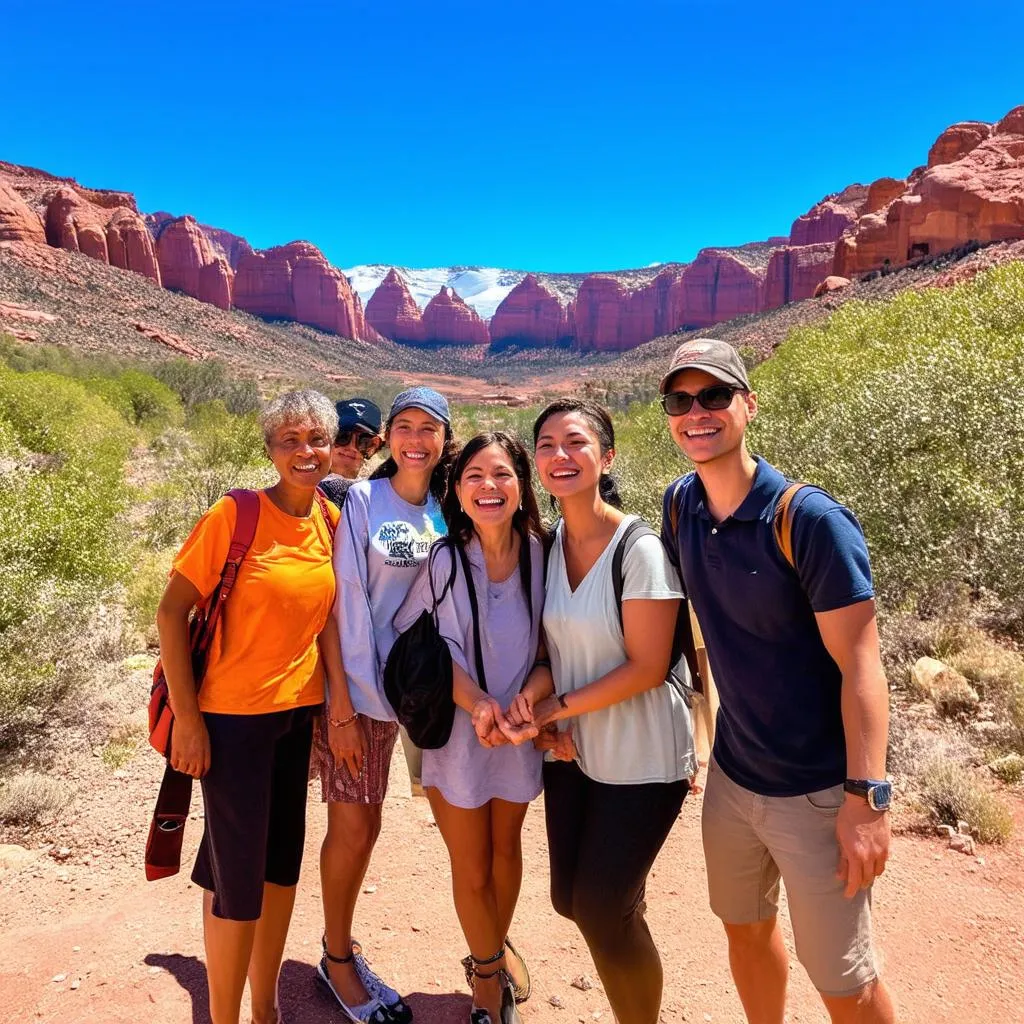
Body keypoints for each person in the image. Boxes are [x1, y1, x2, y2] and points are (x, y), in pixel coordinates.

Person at [657, 338, 895, 1024]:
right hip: (734, 779)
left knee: (844, 979)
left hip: (818, 793)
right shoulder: (681, 506)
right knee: (744, 927)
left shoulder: (809, 520)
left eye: (714, 396)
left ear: (748, 406)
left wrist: (866, 801)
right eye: (680, 400)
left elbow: (862, 665)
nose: (696, 413)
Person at [155, 389, 342, 1024]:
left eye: (316, 438)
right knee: (239, 880)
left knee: (279, 866)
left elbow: (328, 626)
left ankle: (266, 1010)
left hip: (297, 717)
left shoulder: (327, 520)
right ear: (269, 450)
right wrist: (188, 718)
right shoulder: (235, 515)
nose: (305, 451)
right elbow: (171, 611)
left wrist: (336, 707)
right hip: (231, 721)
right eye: (290, 440)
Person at [513, 398, 696, 1024]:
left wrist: (557, 706)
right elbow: (552, 647)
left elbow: (647, 666)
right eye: (546, 446)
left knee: (600, 906)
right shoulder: (551, 542)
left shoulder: (637, 550)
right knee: (572, 898)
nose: (559, 456)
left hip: (643, 756)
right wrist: (542, 696)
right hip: (574, 753)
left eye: (576, 443)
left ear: (606, 456)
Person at [312, 386, 455, 1024]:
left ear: (446, 438)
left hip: (417, 694)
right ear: (387, 439)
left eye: (430, 427)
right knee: (356, 826)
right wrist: (343, 705)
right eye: (404, 426)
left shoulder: (452, 507)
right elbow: (342, 602)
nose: (416, 439)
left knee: (395, 822)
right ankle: (337, 960)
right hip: (362, 696)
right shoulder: (363, 501)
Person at [394, 432, 545, 1024]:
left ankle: (493, 947)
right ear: (456, 490)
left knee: (506, 852)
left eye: (503, 474)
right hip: (460, 733)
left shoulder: (543, 553)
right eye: (475, 476)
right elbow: (421, 648)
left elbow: (551, 647)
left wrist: (526, 703)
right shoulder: (443, 559)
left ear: (522, 486)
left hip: (520, 731)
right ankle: (487, 978)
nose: (490, 487)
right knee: (472, 864)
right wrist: (479, 704)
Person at [320, 397, 384, 507]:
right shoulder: (299, 492)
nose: (352, 447)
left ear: (372, 449)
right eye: (342, 436)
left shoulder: (379, 500)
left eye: (364, 442)